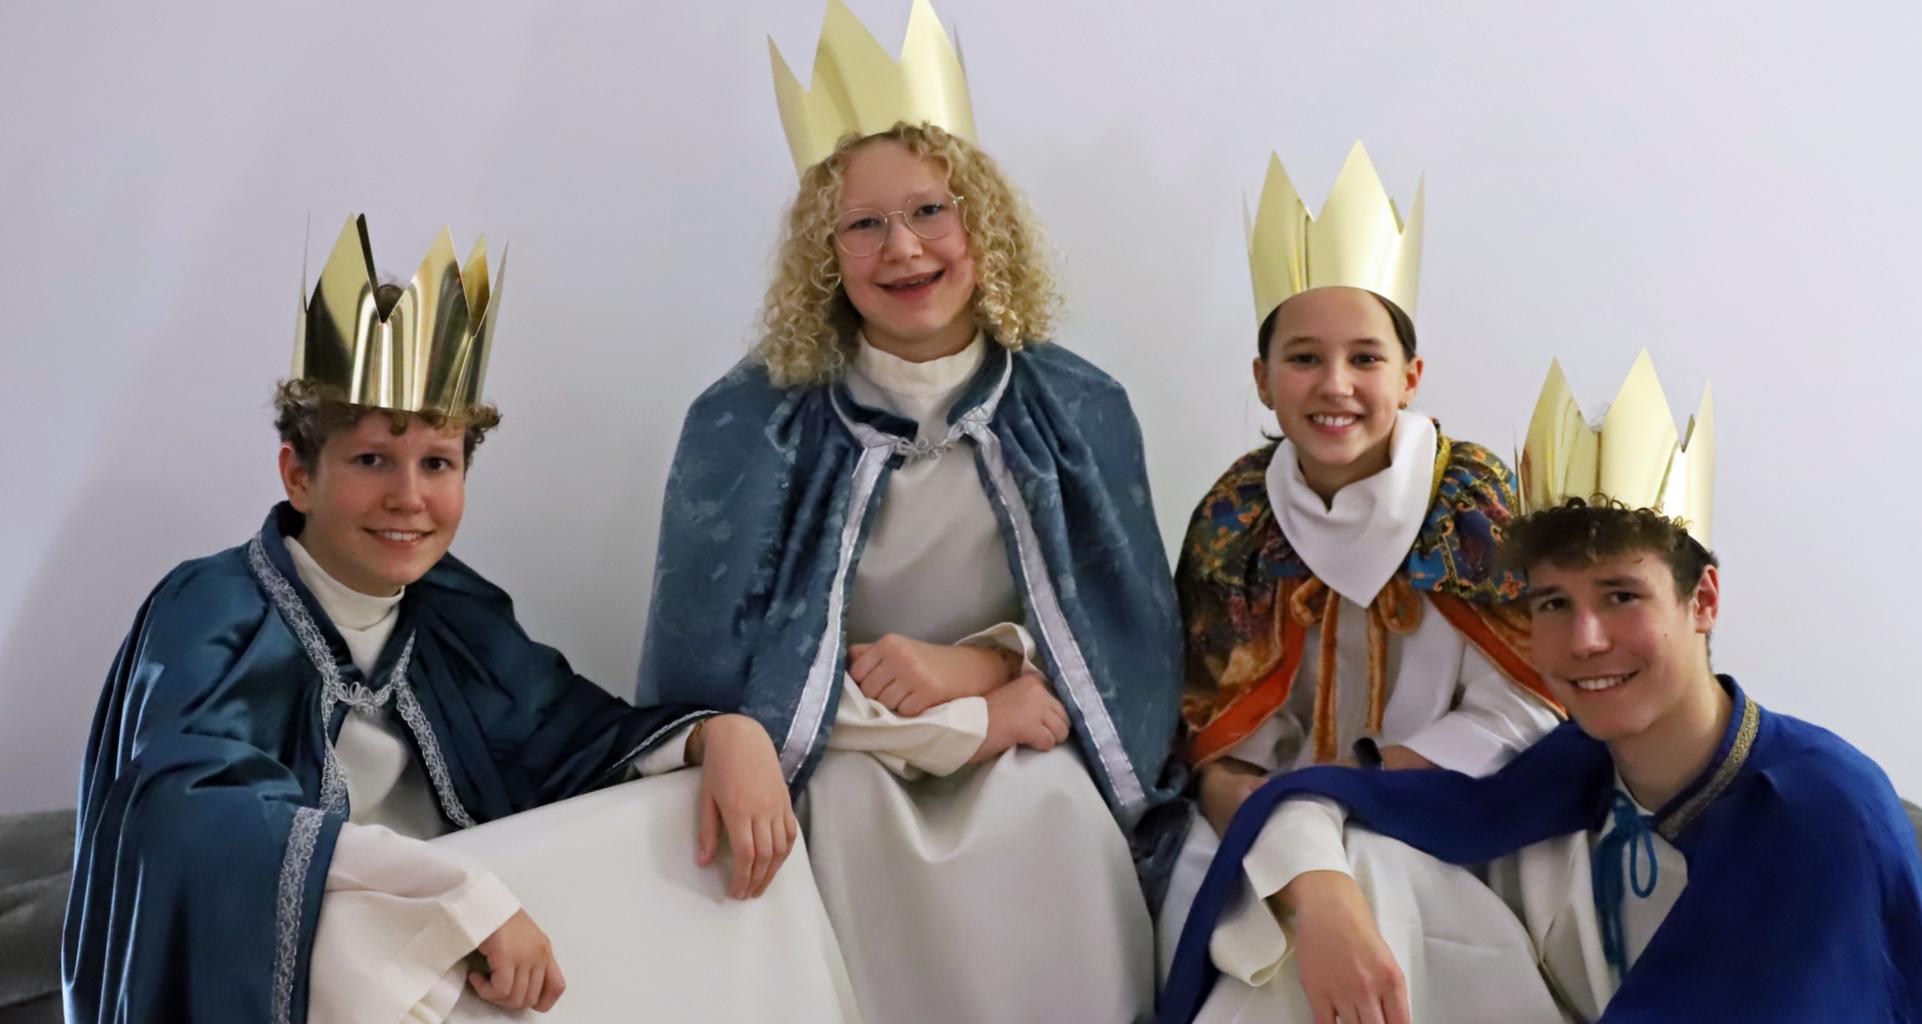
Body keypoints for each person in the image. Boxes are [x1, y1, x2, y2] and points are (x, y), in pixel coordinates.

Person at [63, 217, 852, 1023]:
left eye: (437, 463)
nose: (409, 497)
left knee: (695, 818)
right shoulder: (212, 609)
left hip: (454, 900)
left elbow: (569, 736)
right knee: (354, 944)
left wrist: (721, 735)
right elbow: (193, 814)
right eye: (372, 460)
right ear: (298, 475)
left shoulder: (450, 607)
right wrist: (448, 892)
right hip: (321, 949)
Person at [638, 2, 1180, 1020]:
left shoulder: (1079, 408)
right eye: (863, 223)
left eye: (931, 210)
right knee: (844, 819)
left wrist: (981, 672)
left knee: (1057, 807)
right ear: (823, 253)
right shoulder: (746, 423)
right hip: (843, 749)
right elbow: (715, 671)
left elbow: (1125, 653)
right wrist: (958, 718)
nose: (903, 248)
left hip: (1028, 738)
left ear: (982, 222)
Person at [1161, 353, 1922, 1024]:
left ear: (1701, 601)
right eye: (1554, 605)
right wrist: (1324, 902)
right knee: (1355, 873)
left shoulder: (1824, 810)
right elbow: (1323, 802)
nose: (1586, 640)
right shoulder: (1569, 769)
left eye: (1621, 597)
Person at [1157, 140, 1565, 1020]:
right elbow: (1216, 745)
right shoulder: (1236, 522)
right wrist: (1304, 842)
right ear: (1263, 381)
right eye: (1303, 358)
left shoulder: (1471, 506)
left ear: (1411, 377)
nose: (1335, 385)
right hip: (1270, 831)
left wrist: (1367, 784)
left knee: (1383, 883)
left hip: (1454, 821)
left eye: (1366, 359)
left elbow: (1534, 698)